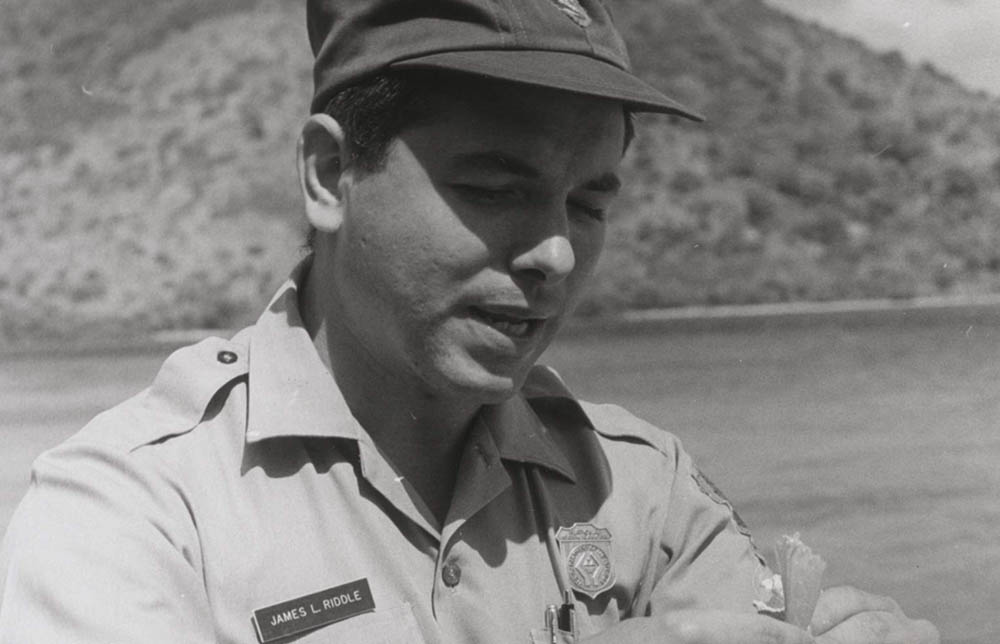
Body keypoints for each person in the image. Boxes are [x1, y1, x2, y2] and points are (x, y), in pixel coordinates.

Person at [0, 1, 939, 642]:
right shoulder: (134, 512)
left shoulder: (642, 489)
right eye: (496, 187)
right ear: (330, 177)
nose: (556, 256)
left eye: (590, 203)